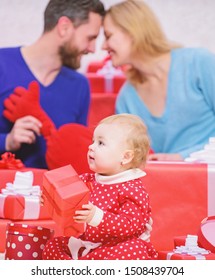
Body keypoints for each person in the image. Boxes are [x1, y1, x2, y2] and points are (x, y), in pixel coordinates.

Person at [102, 0, 215, 161]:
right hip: (170, 181)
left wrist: (181, 157)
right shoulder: (126, 98)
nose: (103, 46)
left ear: (132, 31)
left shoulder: (198, 63)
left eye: (108, 36)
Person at [0, 0, 105, 168]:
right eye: (90, 38)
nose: (92, 49)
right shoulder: (2, 65)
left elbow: (78, 153)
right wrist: (7, 141)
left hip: (56, 191)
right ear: (64, 27)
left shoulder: (79, 85)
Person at [42, 114, 157, 260]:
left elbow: (131, 225)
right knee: (53, 245)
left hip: (117, 247)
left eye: (101, 143)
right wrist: (50, 197)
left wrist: (96, 216)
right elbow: (66, 200)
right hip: (89, 244)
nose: (91, 146)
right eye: (93, 141)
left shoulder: (132, 189)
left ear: (125, 157)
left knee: (134, 250)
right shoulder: (87, 180)